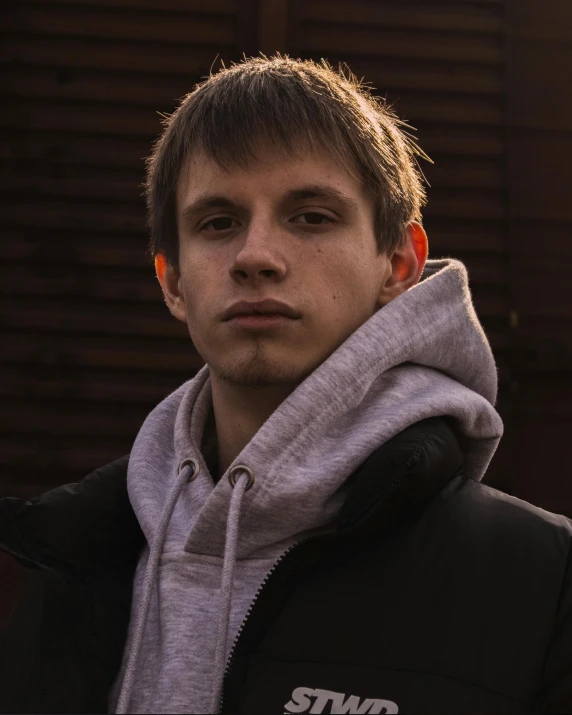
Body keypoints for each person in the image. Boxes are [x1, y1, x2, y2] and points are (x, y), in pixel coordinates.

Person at [0, 53, 570, 715]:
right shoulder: (64, 557)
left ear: (400, 262)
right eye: (218, 223)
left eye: (311, 217)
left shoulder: (542, 579)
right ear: (172, 281)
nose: (256, 257)